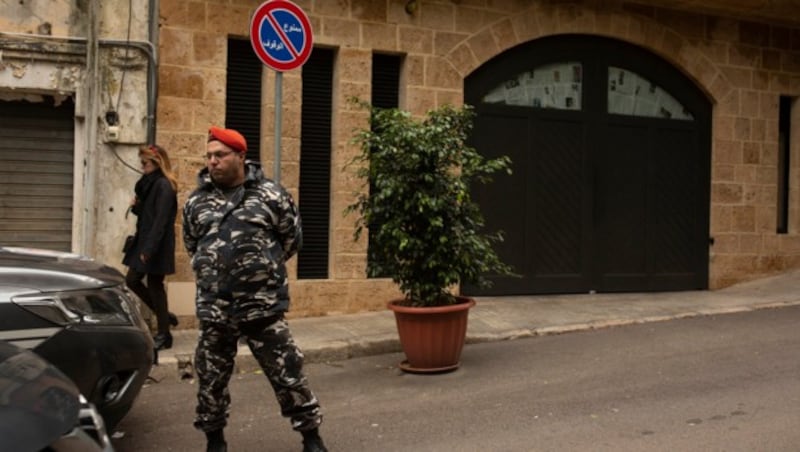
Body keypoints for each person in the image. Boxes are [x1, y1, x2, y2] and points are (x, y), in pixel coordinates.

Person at [182, 126, 327, 452]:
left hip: (262, 306)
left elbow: (292, 240)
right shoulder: (196, 202)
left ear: (241, 156)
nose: (212, 162)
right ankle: (214, 441)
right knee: (210, 381)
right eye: (208, 156)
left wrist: (260, 270)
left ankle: (312, 437)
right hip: (215, 309)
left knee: (288, 372)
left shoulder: (271, 195)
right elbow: (193, 245)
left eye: (220, 155)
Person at [123, 144, 179, 351]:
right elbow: (147, 213)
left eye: (145, 163)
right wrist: (136, 206)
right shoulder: (150, 184)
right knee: (133, 281)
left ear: (156, 163)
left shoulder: (164, 185)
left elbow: (161, 221)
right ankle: (165, 317)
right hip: (146, 239)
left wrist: (149, 249)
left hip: (156, 243)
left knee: (153, 285)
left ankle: (164, 334)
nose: (142, 166)